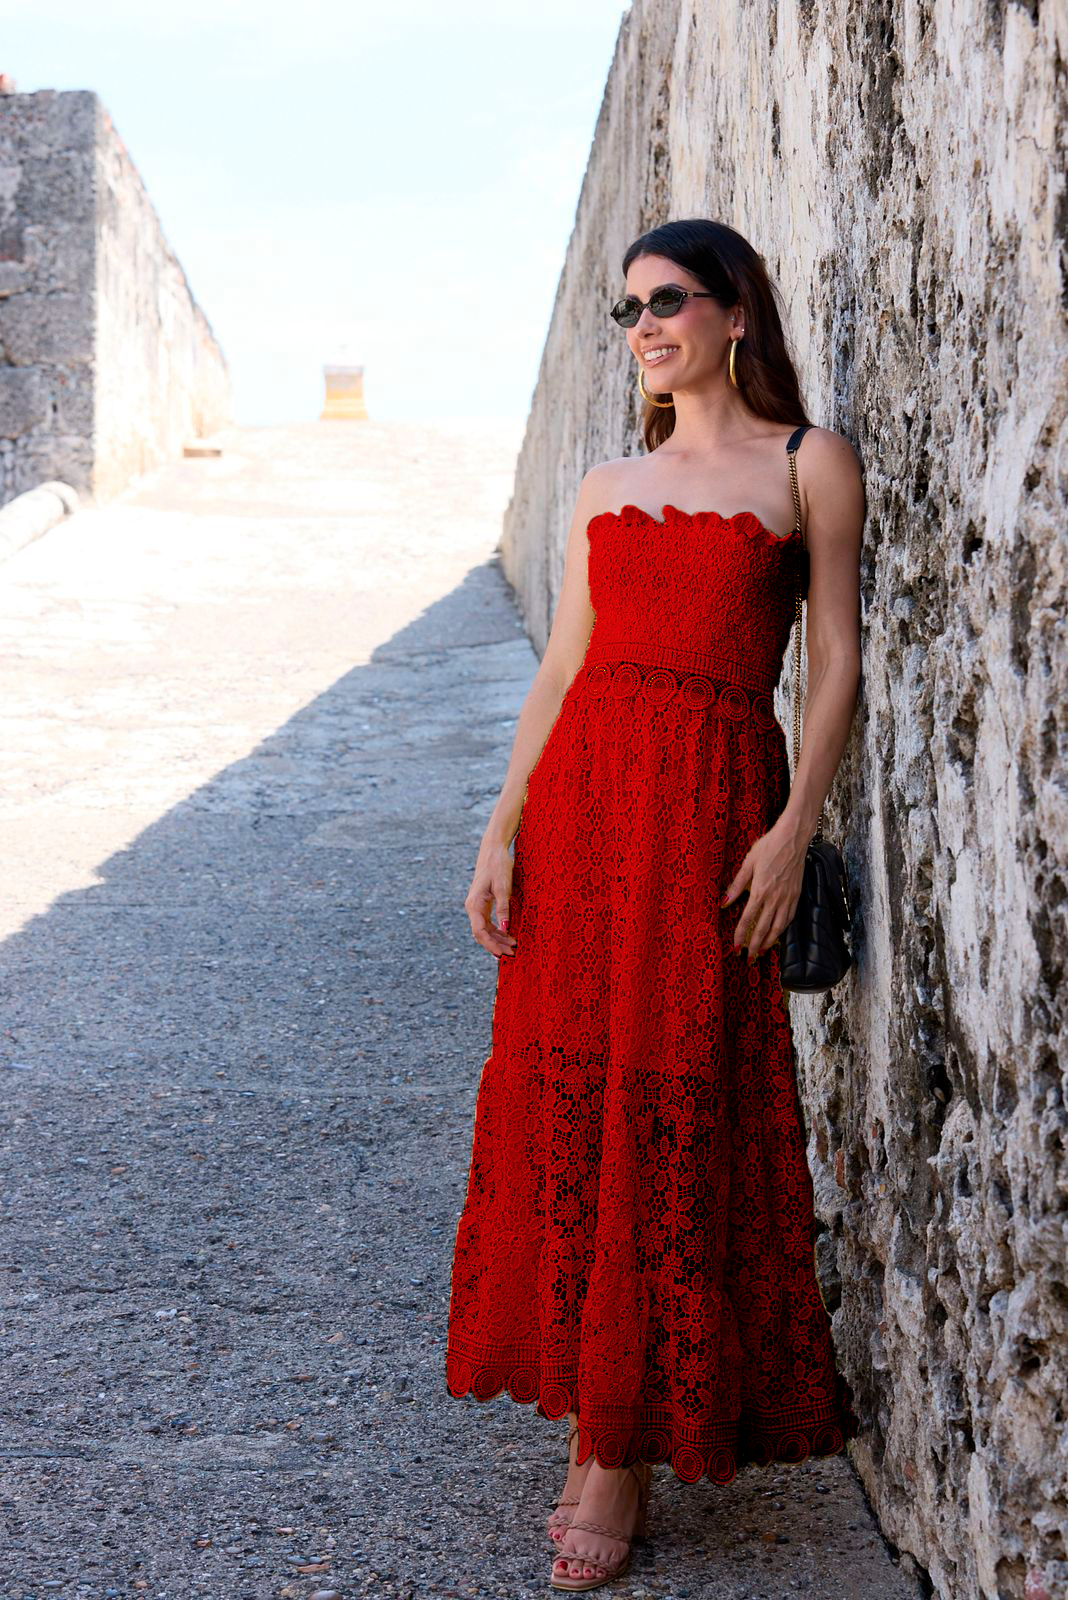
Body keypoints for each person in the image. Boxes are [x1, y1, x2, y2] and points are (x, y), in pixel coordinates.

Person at [447, 217, 865, 1592]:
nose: (646, 327)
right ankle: (598, 1412)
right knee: (579, 1097)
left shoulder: (807, 464)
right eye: (629, 309)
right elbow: (563, 671)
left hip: (712, 811)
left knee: (680, 1098)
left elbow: (835, 662)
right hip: (585, 815)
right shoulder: (605, 484)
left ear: (736, 311)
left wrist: (794, 830)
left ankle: (624, 1443)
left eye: (669, 300)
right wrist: (502, 830)